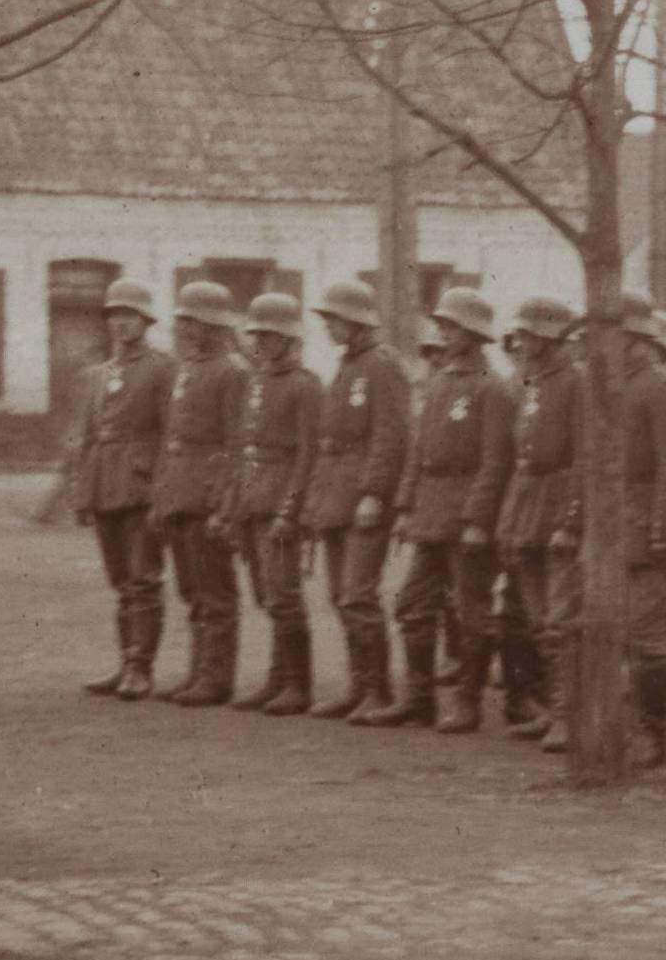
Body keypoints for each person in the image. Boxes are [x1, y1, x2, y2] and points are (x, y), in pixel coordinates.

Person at [394, 289, 516, 733]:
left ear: (473, 333)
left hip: (467, 516)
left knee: (472, 612)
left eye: (450, 327)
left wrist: (478, 520)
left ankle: (468, 703)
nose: (442, 334)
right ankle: (419, 699)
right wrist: (406, 506)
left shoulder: (494, 390)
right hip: (430, 510)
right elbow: (418, 451)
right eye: (442, 326)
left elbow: (496, 462)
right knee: (412, 605)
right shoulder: (440, 382)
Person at [587, 296, 666, 765]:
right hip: (611, 524)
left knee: (649, 634)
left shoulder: (660, 388)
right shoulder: (607, 387)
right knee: (616, 631)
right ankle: (621, 726)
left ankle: (652, 733)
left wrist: (665, 531)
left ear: (634, 339)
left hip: (648, 523)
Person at [302, 280, 412, 723]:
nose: (327, 326)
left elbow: (391, 437)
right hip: (336, 494)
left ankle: (377, 690)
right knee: (338, 594)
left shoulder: (383, 367)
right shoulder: (348, 366)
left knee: (357, 594)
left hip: (364, 498)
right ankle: (357, 684)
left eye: (333, 318)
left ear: (355, 320)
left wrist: (374, 494)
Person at [221, 292, 322, 716]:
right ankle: (277, 679)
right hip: (251, 499)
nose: (261, 343)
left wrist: (290, 509)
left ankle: (297, 684)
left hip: (281, 502)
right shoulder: (256, 381)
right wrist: (233, 502)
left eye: (271, 335)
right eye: (257, 335)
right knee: (265, 594)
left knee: (284, 594)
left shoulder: (306, 386)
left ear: (289, 339)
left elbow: (307, 453)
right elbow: (244, 445)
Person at [72, 278, 173, 701]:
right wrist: (82, 494)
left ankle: (140, 667)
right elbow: (87, 436)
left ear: (146, 322)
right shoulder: (98, 374)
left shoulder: (164, 369)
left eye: (130, 316)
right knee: (119, 579)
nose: (121, 324)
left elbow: (172, 434)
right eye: (115, 315)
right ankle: (124, 662)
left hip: (141, 483)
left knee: (143, 577)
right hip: (103, 483)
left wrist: (163, 492)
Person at [151, 282, 248, 706]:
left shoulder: (233, 372)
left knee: (215, 591)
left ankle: (216, 677)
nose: (186, 330)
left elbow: (236, 445)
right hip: (179, 491)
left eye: (193, 322)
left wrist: (223, 503)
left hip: (207, 496)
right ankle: (197, 671)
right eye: (184, 322)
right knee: (191, 589)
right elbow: (171, 438)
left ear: (214, 325)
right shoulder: (186, 368)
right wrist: (161, 495)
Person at [496, 297, 584, 742]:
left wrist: (571, 519)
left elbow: (585, 457)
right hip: (528, 499)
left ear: (550, 338)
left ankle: (570, 715)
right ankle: (555, 709)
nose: (521, 341)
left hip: (559, 499)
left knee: (560, 619)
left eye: (529, 334)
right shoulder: (533, 381)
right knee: (536, 618)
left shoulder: (575, 382)